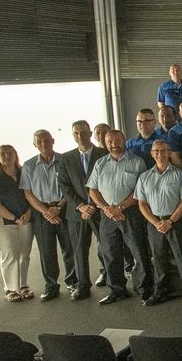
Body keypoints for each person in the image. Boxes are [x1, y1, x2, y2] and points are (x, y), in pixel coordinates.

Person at [87, 129, 149, 305]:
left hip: (130, 213)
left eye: (117, 140)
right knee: (110, 253)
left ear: (124, 141)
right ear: (106, 144)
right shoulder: (100, 163)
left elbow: (139, 191)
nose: (114, 145)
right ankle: (117, 290)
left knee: (138, 251)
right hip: (107, 214)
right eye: (110, 142)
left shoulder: (137, 162)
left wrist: (120, 207)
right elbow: (93, 190)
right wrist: (106, 208)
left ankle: (144, 288)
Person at [135, 141, 182, 306]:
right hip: (154, 222)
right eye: (156, 151)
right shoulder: (144, 177)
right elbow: (142, 203)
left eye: (163, 150)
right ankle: (160, 292)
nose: (160, 153)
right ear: (151, 153)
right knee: (159, 259)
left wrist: (170, 221)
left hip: (175, 221)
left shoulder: (180, 174)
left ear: (169, 152)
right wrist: (156, 223)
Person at [20, 129, 77, 301]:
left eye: (46, 140)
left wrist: (58, 208)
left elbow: (71, 187)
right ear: (35, 144)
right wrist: (46, 211)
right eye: (39, 141)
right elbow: (28, 193)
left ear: (53, 141)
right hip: (41, 212)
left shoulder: (65, 160)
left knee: (70, 247)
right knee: (47, 251)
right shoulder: (28, 165)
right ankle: (51, 285)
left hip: (64, 208)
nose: (43, 144)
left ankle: (73, 281)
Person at [57, 120, 107, 300]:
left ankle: (115, 283)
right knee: (79, 249)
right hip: (77, 212)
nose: (80, 136)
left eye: (83, 132)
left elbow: (107, 183)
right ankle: (83, 285)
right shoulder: (65, 158)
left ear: (90, 133)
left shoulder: (103, 154)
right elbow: (64, 185)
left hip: (100, 210)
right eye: (76, 133)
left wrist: (93, 205)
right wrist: (81, 205)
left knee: (108, 247)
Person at [0, 144, 34, 304]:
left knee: (24, 254)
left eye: (10, 153)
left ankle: (23, 285)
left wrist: (28, 213)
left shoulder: (24, 172)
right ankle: (11, 288)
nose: (6, 156)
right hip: (3, 222)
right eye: (2, 154)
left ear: (16, 155)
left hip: (26, 219)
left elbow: (32, 195)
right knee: (9, 253)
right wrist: (14, 218)